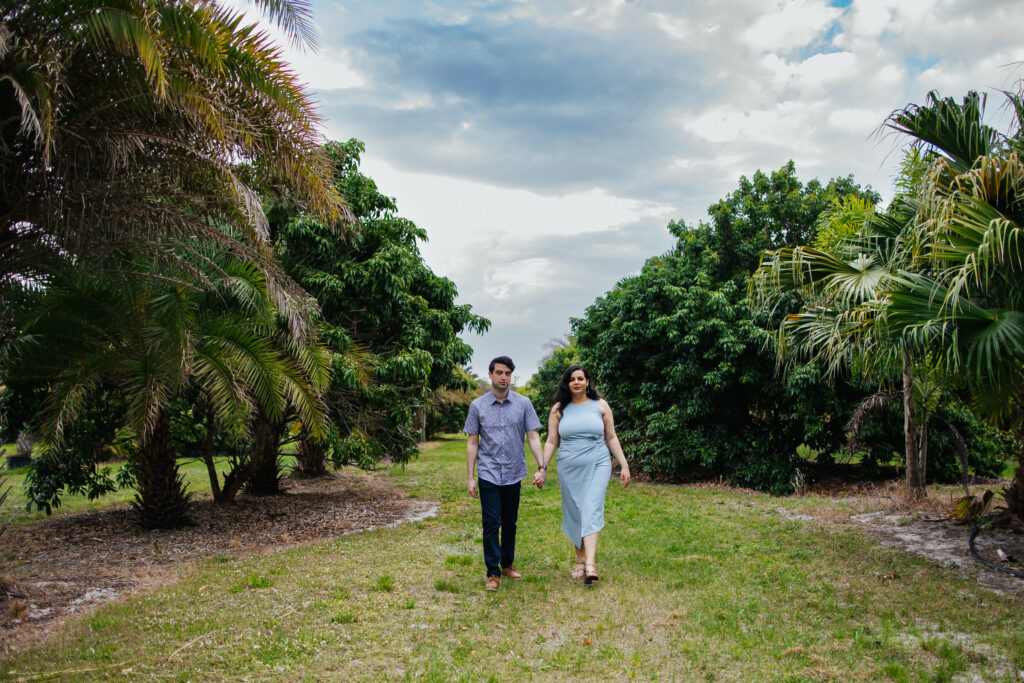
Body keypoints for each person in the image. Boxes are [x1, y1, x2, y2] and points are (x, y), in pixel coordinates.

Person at [535, 365, 630, 584]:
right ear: (567, 383)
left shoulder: (600, 405)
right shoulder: (559, 409)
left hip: (598, 462)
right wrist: (543, 468)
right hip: (568, 466)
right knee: (575, 510)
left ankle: (590, 565)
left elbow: (612, 437)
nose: (576, 382)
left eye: (580, 378)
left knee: (591, 507)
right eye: (572, 379)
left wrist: (623, 465)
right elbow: (551, 441)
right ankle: (579, 560)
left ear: (587, 381)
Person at [464, 356, 544, 591]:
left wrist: (542, 467)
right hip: (488, 473)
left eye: (507, 373)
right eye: (499, 372)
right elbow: (472, 442)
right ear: (490, 374)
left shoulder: (523, 404)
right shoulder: (477, 406)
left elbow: (533, 436)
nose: (503, 377)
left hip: (513, 472)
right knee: (490, 522)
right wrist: (470, 477)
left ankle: (507, 564)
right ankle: (492, 572)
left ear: (511, 376)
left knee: (510, 521)